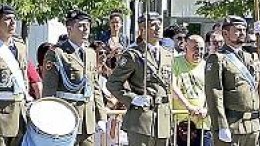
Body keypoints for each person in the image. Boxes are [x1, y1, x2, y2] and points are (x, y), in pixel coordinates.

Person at [107, 11, 175, 146]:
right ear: (143, 30)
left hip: (163, 119)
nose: (157, 28)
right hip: (141, 119)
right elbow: (113, 83)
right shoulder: (133, 55)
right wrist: (133, 98)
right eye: (153, 25)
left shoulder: (167, 55)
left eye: (159, 25)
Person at [43, 9, 107, 146]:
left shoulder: (90, 53)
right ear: (69, 29)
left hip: (87, 119)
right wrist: (48, 117)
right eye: (81, 26)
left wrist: (101, 116)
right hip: (66, 116)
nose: (85, 30)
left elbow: (95, 87)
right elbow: (49, 89)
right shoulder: (57, 53)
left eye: (87, 26)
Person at [204, 16, 260, 146]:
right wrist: (221, 125)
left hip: (252, 125)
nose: (242, 33)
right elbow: (214, 94)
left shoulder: (251, 57)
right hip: (232, 124)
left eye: (244, 30)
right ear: (225, 33)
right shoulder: (218, 59)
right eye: (237, 30)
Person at [170, 34, 209, 146]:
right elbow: (172, 87)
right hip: (181, 123)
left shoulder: (206, 66)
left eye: (201, 48)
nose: (199, 52)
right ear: (186, 48)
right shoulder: (175, 62)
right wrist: (188, 106)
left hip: (202, 123)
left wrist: (206, 109)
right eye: (195, 48)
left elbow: (211, 91)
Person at [0, 4, 28, 146]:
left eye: (14, 19)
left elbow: (24, 77)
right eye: (7, 19)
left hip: (19, 114)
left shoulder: (20, 46)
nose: (12, 23)